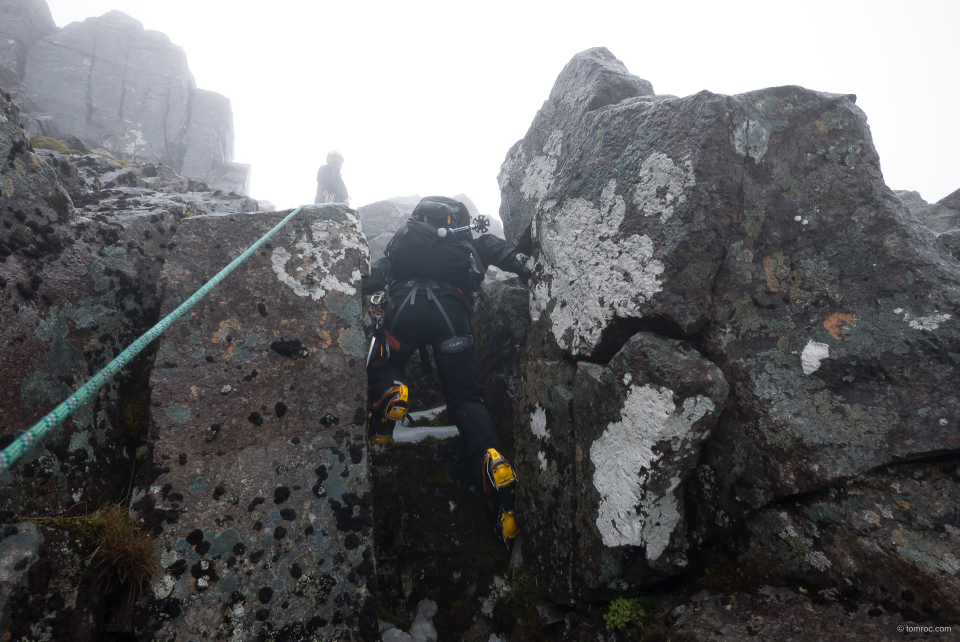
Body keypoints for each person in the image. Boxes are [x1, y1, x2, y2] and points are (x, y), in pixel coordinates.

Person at [364, 196, 531, 545]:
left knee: (387, 360)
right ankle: (489, 455)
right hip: (451, 318)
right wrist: (526, 263)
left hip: (403, 314)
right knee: (464, 398)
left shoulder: (406, 238)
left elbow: (375, 274)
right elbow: (506, 254)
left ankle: (391, 392)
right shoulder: (466, 236)